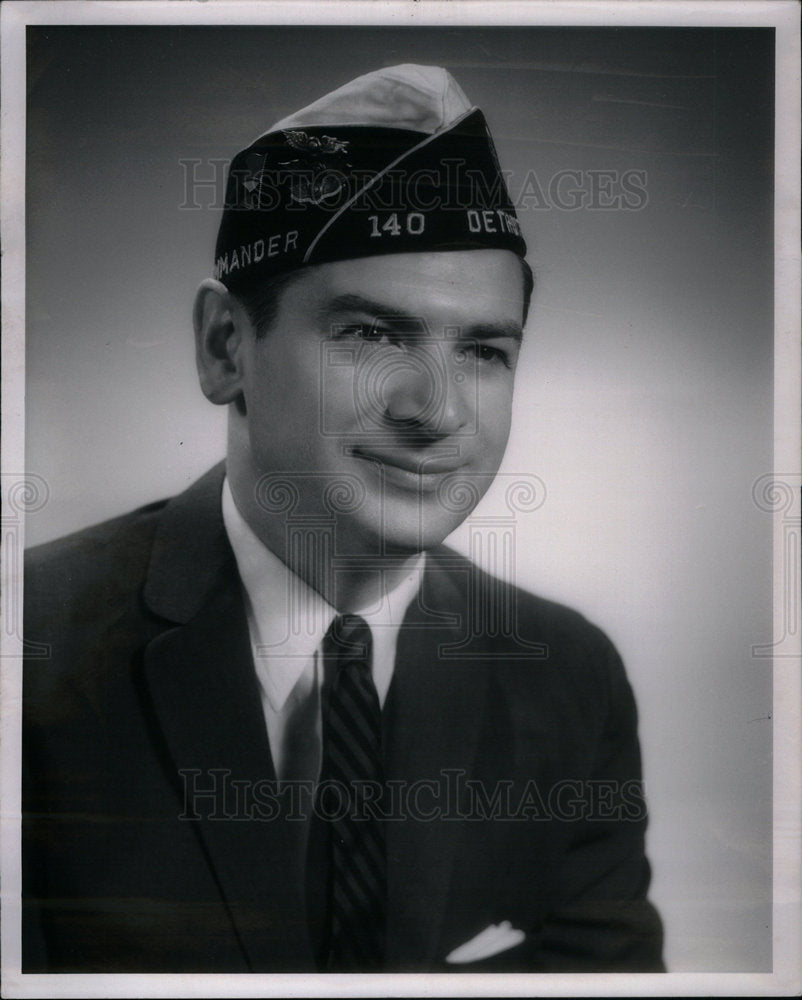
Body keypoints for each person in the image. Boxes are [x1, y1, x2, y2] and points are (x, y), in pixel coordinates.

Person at [22, 64, 664, 973]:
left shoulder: (567, 677)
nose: (436, 410)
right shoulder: (28, 651)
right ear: (225, 348)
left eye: (483, 350)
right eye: (369, 334)